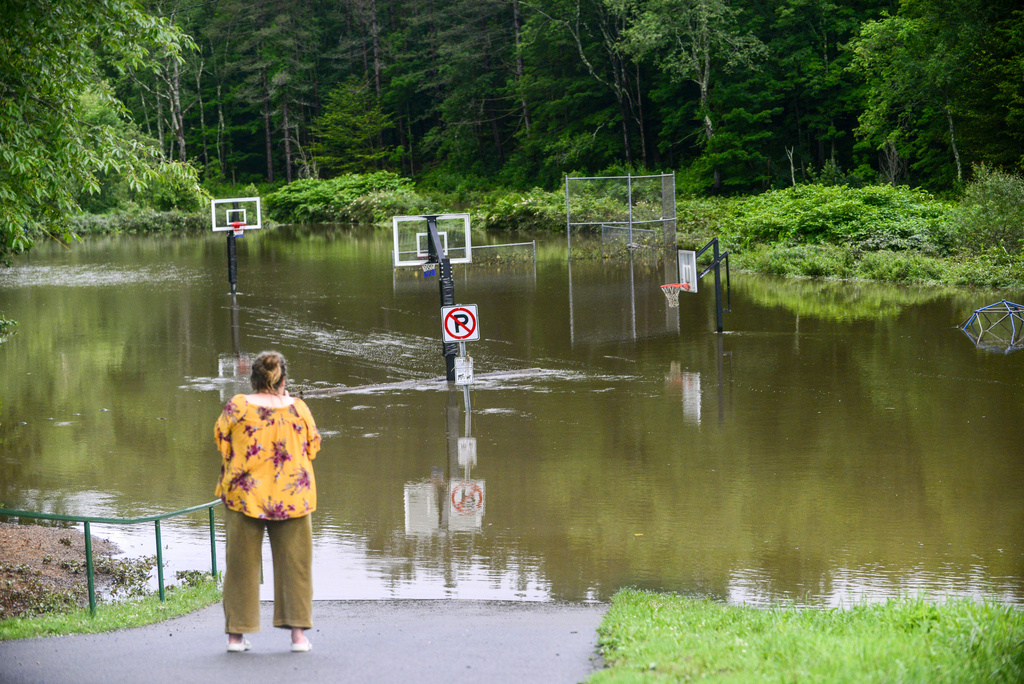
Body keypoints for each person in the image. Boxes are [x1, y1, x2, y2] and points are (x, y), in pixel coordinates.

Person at [214, 351, 321, 653]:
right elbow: (313, 447)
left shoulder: (237, 406)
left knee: (240, 567)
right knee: (296, 567)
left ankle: (236, 637)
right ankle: (298, 638)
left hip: (244, 494)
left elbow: (220, 441)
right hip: (293, 497)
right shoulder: (299, 409)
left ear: (254, 379)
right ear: (284, 379)